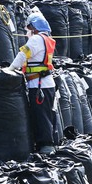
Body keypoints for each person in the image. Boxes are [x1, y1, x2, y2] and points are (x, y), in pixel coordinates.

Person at [9, 13, 57, 155]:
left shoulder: (36, 39)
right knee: (47, 114)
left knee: (41, 115)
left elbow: (23, 55)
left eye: (29, 28)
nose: (27, 31)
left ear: (35, 27)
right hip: (45, 83)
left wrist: (10, 69)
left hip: (39, 84)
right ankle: (47, 143)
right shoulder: (47, 39)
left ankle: (46, 145)